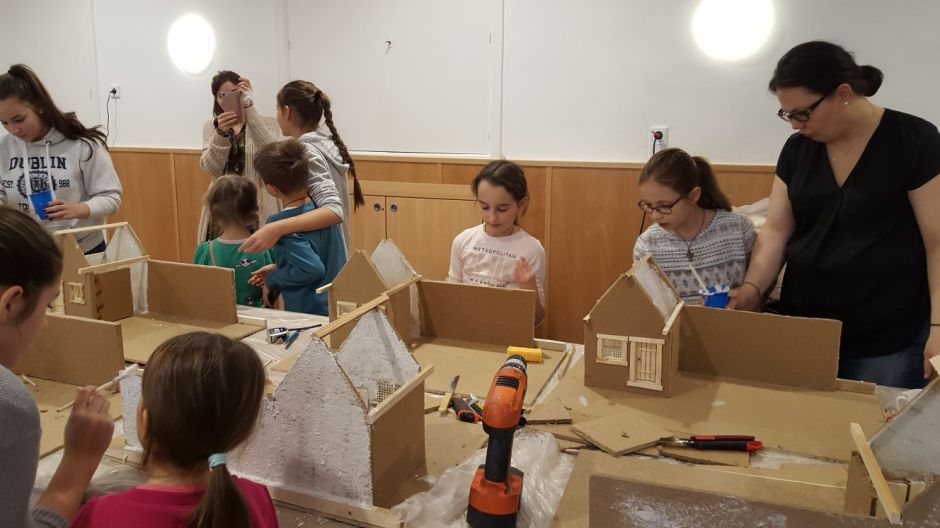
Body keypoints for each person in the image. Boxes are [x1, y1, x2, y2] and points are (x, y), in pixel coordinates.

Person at [731, 41, 940, 388]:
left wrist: (938, 326)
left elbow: (937, 241)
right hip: (808, 324)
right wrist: (753, 287)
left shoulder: (913, 140)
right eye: (787, 114)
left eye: (802, 113)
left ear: (842, 93)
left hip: (887, 332)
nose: (794, 125)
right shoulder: (798, 149)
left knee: (877, 421)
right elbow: (777, 230)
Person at [72, 332, 278, 528]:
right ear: (241, 431)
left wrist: (77, 459)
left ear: (146, 421)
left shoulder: (102, 515)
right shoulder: (256, 498)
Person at [0, 206, 114, 528]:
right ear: (11, 303)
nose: (45, 323)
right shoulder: (8, 405)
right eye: (48, 305)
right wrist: (78, 462)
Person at [0, 64, 122, 254]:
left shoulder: (83, 145)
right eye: (4, 122)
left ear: (39, 106)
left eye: (19, 119)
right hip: (27, 252)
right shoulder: (4, 147)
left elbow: (111, 197)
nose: (13, 129)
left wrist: (77, 209)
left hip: (83, 249)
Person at [240, 80, 364, 253]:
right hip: (331, 250)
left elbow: (334, 210)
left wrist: (276, 228)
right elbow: (271, 152)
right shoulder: (323, 144)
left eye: (277, 109)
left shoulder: (308, 151)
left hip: (323, 253)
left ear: (287, 112)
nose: (277, 115)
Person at [633, 148, 755, 304]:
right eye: (648, 205)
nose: (655, 216)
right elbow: (649, 304)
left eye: (664, 205)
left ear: (693, 196)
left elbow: (760, 288)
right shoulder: (646, 246)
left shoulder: (738, 230)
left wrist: (740, 297)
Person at [248, 139, 346, 316]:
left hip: (309, 311)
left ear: (271, 189)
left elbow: (312, 269)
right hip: (336, 302)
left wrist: (273, 279)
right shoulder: (322, 212)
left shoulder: (280, 225)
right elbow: (317, 256)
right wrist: (279, 267)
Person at [448, 160, 546, 324]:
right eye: (485, 207)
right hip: (466, 328)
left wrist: (530, 289)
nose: (492, 218)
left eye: (502, 209)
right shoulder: (463, 241)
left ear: (521, 205)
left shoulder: (532, 249)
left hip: (509, 332)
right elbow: (451, 297)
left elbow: (537, 319)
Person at [198, 70, 281, 242]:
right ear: (216, 99)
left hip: (256, 203)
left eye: (234, 92)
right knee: (222, 254)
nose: (227, 99)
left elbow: (272, 154)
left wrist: (249, 106)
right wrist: (221, 134)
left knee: (259, 253)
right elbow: (212, 169)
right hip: (222, 206)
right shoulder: (211, 127)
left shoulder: (268, 123)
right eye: (222, 95)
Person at [193, 175, 275, 307]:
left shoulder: (206, 252)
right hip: (261, 316)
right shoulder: (266, 246)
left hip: (221, 316)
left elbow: (199, 291)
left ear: (214, 211)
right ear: (252, 210)